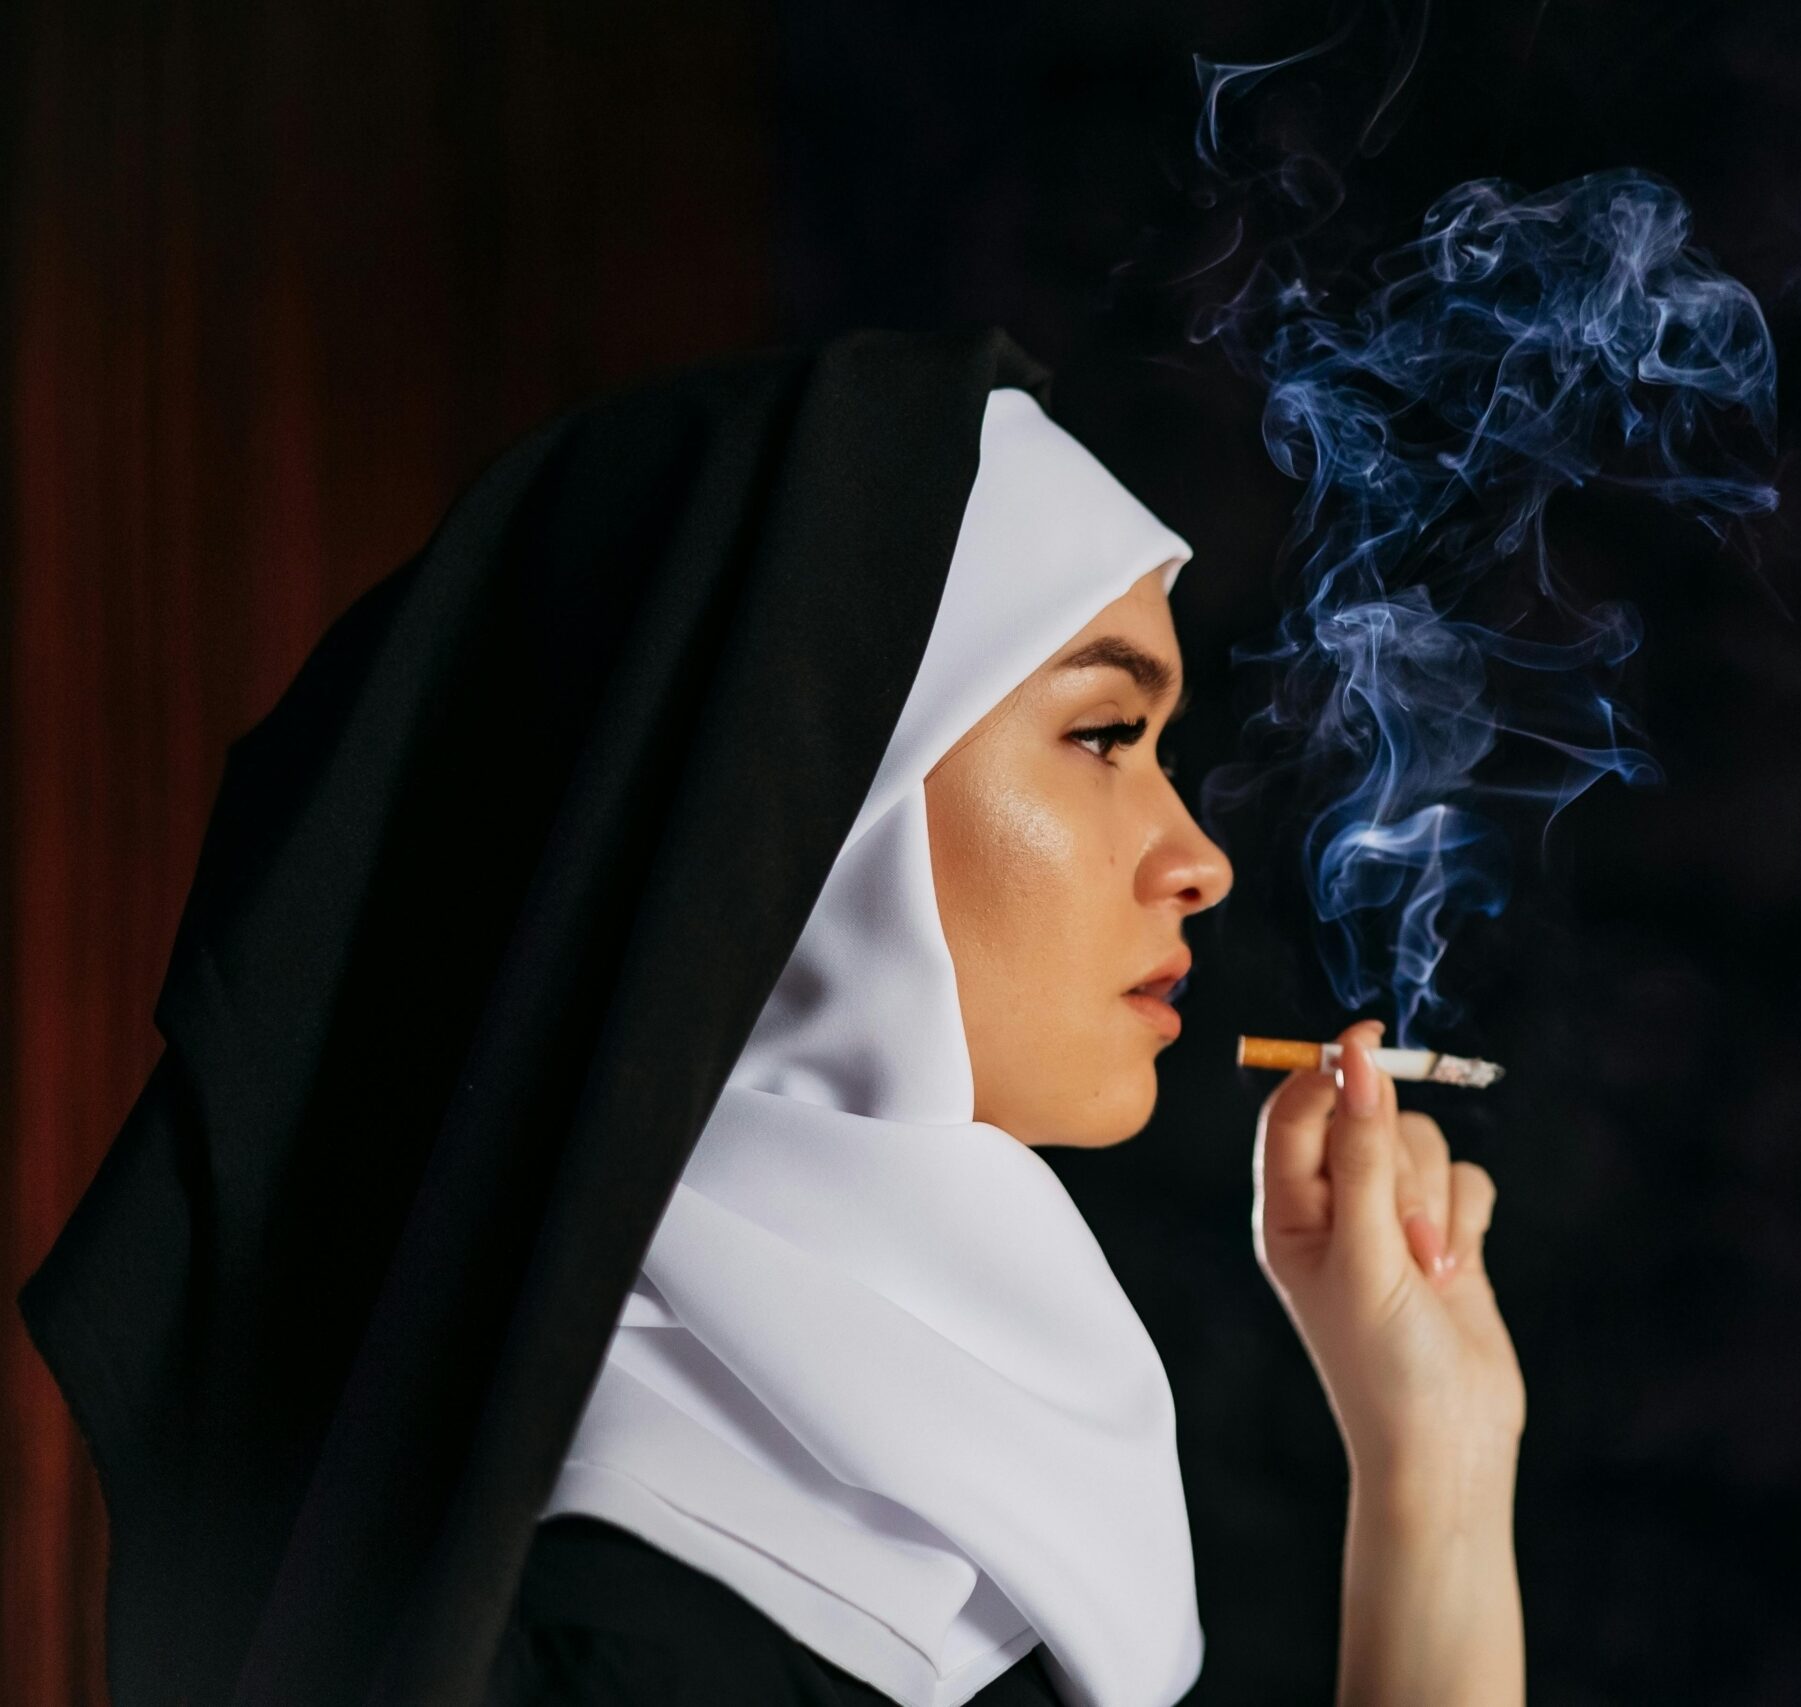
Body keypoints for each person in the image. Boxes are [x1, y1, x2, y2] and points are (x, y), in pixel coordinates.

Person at [20, 327, 1523, 1707]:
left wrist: (1436, 1455)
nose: (1199, 861)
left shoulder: (912, 1549)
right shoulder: (617, 1635)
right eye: (1104, 735)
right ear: (815, 810)